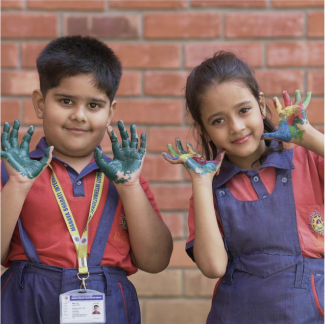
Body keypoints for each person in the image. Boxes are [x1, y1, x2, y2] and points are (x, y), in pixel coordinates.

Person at [0, 36, 173, 324]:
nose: (79, 115)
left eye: (94, 105)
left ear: (110, 113)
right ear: (40, 103)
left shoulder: (124, 176)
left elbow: (156, 262)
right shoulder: (15, 171)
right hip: (25, 303)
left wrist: (129, 186)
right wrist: (17, 185)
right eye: (66, 101)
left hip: (109, 303)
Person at [163, 50, 325, 323]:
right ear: (203, 130)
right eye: (218, 120)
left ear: (261, 104)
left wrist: (309, 137)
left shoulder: (307, 160)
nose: (236, 127)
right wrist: (202, 185)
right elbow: (214, 267)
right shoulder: (210, 189)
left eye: (244, 110)